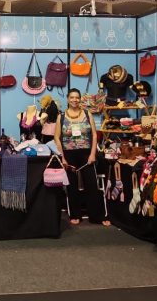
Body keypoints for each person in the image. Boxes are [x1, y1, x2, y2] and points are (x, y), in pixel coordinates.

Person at [54, 88, 108, 226]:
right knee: (72, 186)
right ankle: (75, 214)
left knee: (92, 185)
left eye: (77, 97)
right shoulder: (61, 116)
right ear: (68, 99)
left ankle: (96, 216)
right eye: (72, 97)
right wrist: (63, 157)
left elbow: (94, 135)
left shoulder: (87, 113)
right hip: (68, 154)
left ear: (80, 99)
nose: (74, 100)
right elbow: (57, 137)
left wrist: (92, 154)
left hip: (86, 153)